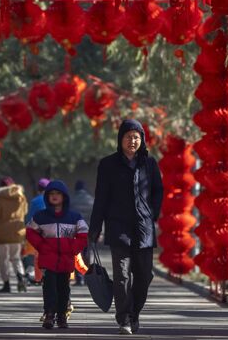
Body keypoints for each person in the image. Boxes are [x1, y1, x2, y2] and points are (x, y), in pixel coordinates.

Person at [88, 119, 164, 335]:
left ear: (142, 140)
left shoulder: (149, 164)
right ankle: (124, 319)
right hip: (118, 227)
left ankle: (134, 313)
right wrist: (95, 228)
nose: (133, 141)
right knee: (121, 276)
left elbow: (158, 191)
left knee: (144, 276)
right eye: (129, 136)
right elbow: (101, 198)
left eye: (137, 137)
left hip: (143, 229)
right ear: (120, 139)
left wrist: (153, 214)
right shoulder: (108, 164)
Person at [26, 180, 88, 330]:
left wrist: (73, 248)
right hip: (48, 259)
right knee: (49, 287)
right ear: (47, 196)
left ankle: (61, 316)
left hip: (66, 259)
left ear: (64, 196)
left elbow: (83, 233)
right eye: (51, 194)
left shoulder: (74, 217)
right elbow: (30, 232)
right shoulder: (41, 217)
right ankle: (49, 315)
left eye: (58, 194)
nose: (54, 197)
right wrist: (42, 246)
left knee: (63, 288)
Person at [0, 176, 28, 293]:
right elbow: (25, 211)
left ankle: (6, 284)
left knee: (3, 259)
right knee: (16, 258)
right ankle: (20, 278)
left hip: (2, 232)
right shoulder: (21, 197)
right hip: (18, 231)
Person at [22, 178, 50, 284]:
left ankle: (38, 278)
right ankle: (47, 276)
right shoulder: (53, 200)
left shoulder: (34, 201)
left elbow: (30, 219)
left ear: (38, 189)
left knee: (36, 255)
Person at [70, 180, 94, 286]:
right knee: (87, 254)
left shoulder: (71, 200)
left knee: (76, 254)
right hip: (89, 231)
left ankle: (79, 278)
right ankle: (88, 276)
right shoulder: (91, 200)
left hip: (75, 231)